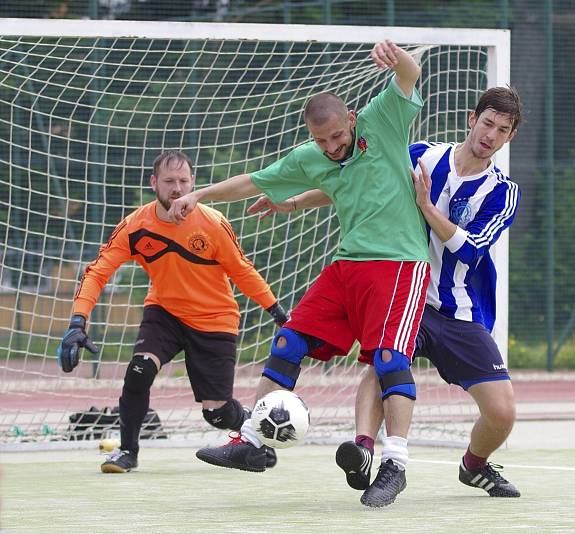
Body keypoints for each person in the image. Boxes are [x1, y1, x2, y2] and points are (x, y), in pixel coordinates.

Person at [166, 40, 430, 508]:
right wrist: (198, 195)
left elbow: (410, 75)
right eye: (321, 140)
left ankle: (396, 463)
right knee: (289, 340)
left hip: (399, 265)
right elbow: (252, 180)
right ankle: (252, 442)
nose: (330, 147)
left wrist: (397, 57)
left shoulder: (382, 120)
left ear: (350, 119)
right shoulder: (311, 157)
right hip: (347, 266)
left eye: (336, 137)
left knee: (388, 359)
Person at [252, 87, 523, 498]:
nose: (490, 134)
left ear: (510, 137)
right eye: (487, 123)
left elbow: (471, 249)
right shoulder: (420, 155)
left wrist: (427, 207)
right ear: (472, 119)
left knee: (502, 413)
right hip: (404, 289)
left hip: (459, 310)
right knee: (384, 365)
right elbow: (355, 183)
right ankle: (363, 449)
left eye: (502, 130)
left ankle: (474, 465)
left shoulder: (503, 191)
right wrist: (292, 203)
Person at [57, 150, 288, 474]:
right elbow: (97, 272)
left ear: (193, 183)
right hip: (164, 312)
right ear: (154, 183)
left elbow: (242, 270)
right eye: (169, 181)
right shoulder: (136, 225)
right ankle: (127, 452)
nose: (176, 188)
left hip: (215, 318)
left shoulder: (212, 223)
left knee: (217, 413)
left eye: (183, 181)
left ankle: (255, 434)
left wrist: (277, 311)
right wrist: (77, 321)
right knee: (139, 371)